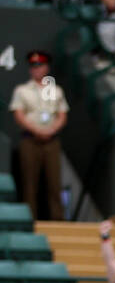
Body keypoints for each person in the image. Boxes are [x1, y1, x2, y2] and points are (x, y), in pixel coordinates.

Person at [9, 51, 69, 221]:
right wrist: (37, 131)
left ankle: (58, 221)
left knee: (54, 183)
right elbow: (19, 115)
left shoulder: (57, 90)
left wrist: (51, 131)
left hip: (51, 141)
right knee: (29, 183)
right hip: (30, 139)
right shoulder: (22, 90)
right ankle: (29, 220)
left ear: (47, 67)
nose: (37, 69)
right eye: (34, 66)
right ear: (30, 69)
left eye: (40, 65)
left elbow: (62, 115)